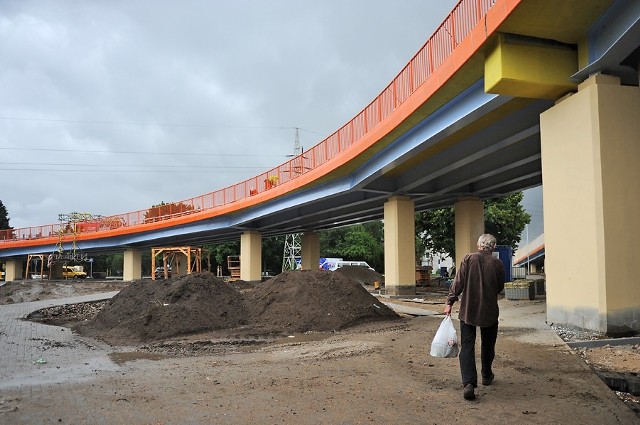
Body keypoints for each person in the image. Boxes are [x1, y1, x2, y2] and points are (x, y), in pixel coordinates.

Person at [444, 234, 505, 400]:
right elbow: (500, 287)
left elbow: (457, 283)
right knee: (488, 344)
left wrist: (450, 302)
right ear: (493, 247)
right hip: (489, 311)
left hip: (468, 311)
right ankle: (486, 375)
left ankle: (469, 383)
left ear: (478, 245)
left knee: (467, 345)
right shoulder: (497, 263)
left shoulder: (468, 259)